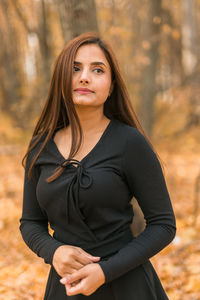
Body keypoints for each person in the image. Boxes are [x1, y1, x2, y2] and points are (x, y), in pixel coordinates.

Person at [20, 32, 176, 300]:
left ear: (111, 85)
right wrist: (53, 251)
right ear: (60, 79)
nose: (84, 77)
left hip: (127, 286)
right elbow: (30, 222)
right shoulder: (40, 146)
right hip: (65, 288)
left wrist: (105, 271)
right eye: (75, 68)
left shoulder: (130, 142)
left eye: (98, 70)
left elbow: (163, 225)